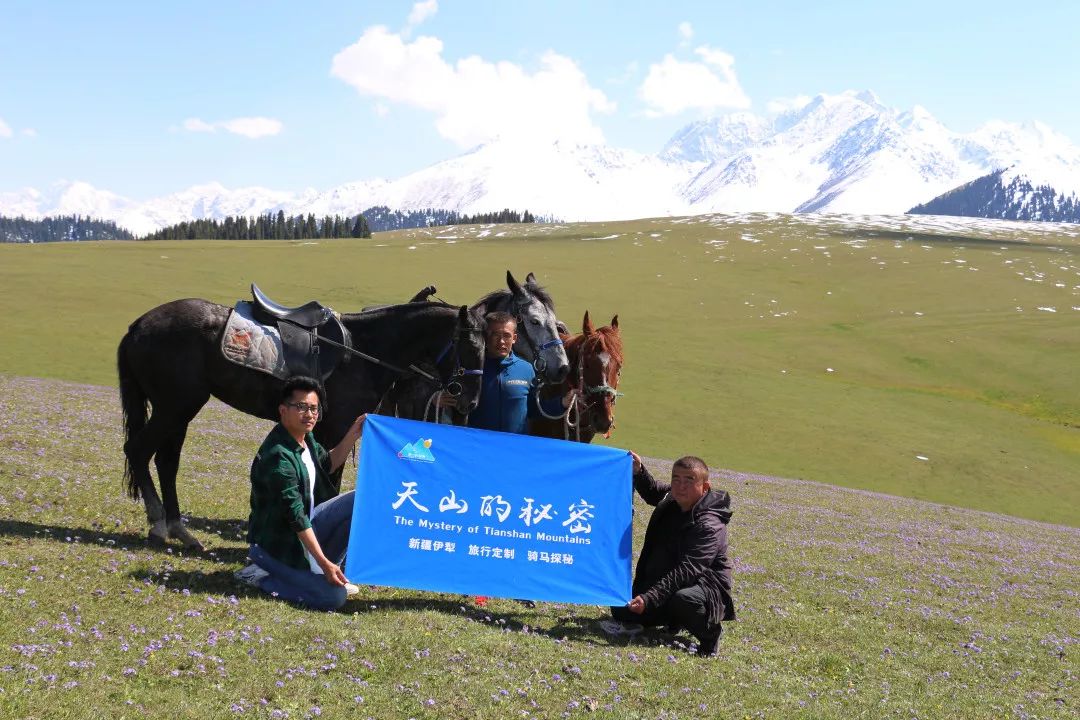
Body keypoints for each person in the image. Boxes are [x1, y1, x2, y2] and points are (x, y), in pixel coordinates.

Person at [234, 375, 366, 610]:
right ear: (283, 410)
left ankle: (324, 569)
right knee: (333, 598)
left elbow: (327, 464)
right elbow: (295, 517)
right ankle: (259, 576)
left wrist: (354, 433)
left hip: (308, 523)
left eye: (314, 409)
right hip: (278, 545)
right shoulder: (278, 457)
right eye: (301, 407)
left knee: (362, 500)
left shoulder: (305, 439)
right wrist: (323, 562)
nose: (310, 414)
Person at [608, 452, 735, 657]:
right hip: (667, 580)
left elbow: (689, 570)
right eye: (676, 478)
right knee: (621, 610)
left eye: (689, 480)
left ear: (705, 487)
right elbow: (652, 492)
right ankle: (672, 619)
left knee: (683, 600)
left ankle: (710, 635)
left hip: (702, 586)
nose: (680, 485)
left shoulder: (709, 524)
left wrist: (650, 598)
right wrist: (639, 471)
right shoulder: (673, 497)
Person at [440, 311, 569, 433]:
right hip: (478, 446)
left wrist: (563, 403)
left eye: (506, 335)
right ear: (485, 336)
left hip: (514, 449)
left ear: (514, 338)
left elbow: (534, 409)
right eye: (495, 335)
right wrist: (435, 400)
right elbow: (452, 401)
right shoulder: (471, 369)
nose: (501, 341)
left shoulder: (526, 369)